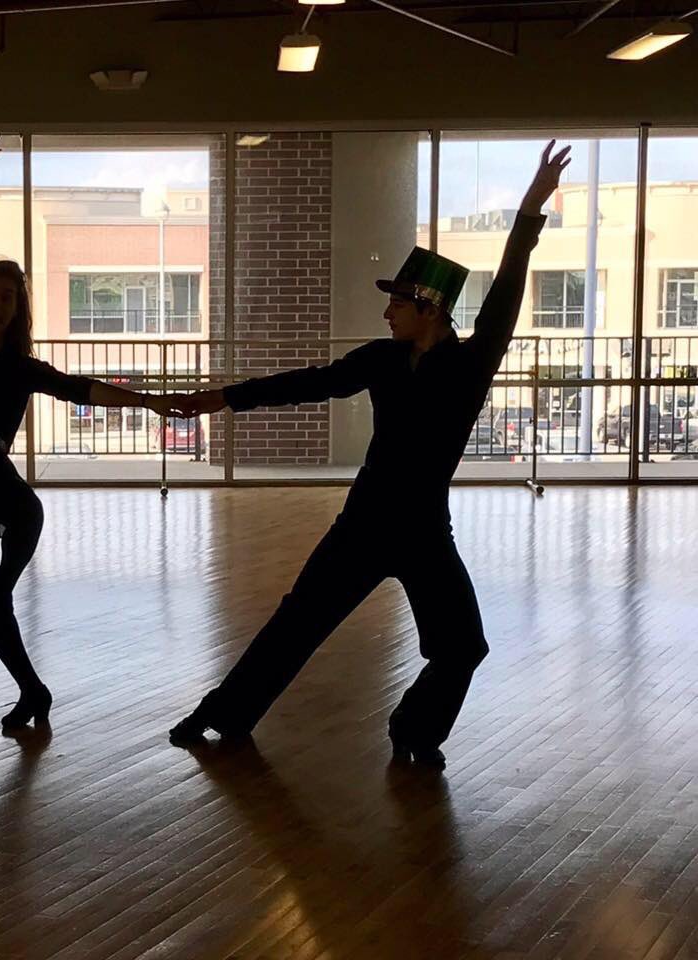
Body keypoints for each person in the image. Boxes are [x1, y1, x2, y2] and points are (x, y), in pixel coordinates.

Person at [168, 141, 571, 768]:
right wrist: (223, 398)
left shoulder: (469, 365)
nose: (386, 310)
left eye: (397, 302)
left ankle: (414, 731)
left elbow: (506, 294)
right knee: (296, 622)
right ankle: (222, 713)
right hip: (364, 523)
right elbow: (310, 382)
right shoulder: (381, 360)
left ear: (429, 309)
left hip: (423, 533)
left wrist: (527, 213)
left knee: (462, 645)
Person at [0, 126, 182, 732]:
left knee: (24, 521)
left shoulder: (20, 368)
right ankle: (33, 690)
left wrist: (151, 404)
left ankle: (9, 614)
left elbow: (82, 389)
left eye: (8, 297)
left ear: (17, 308)